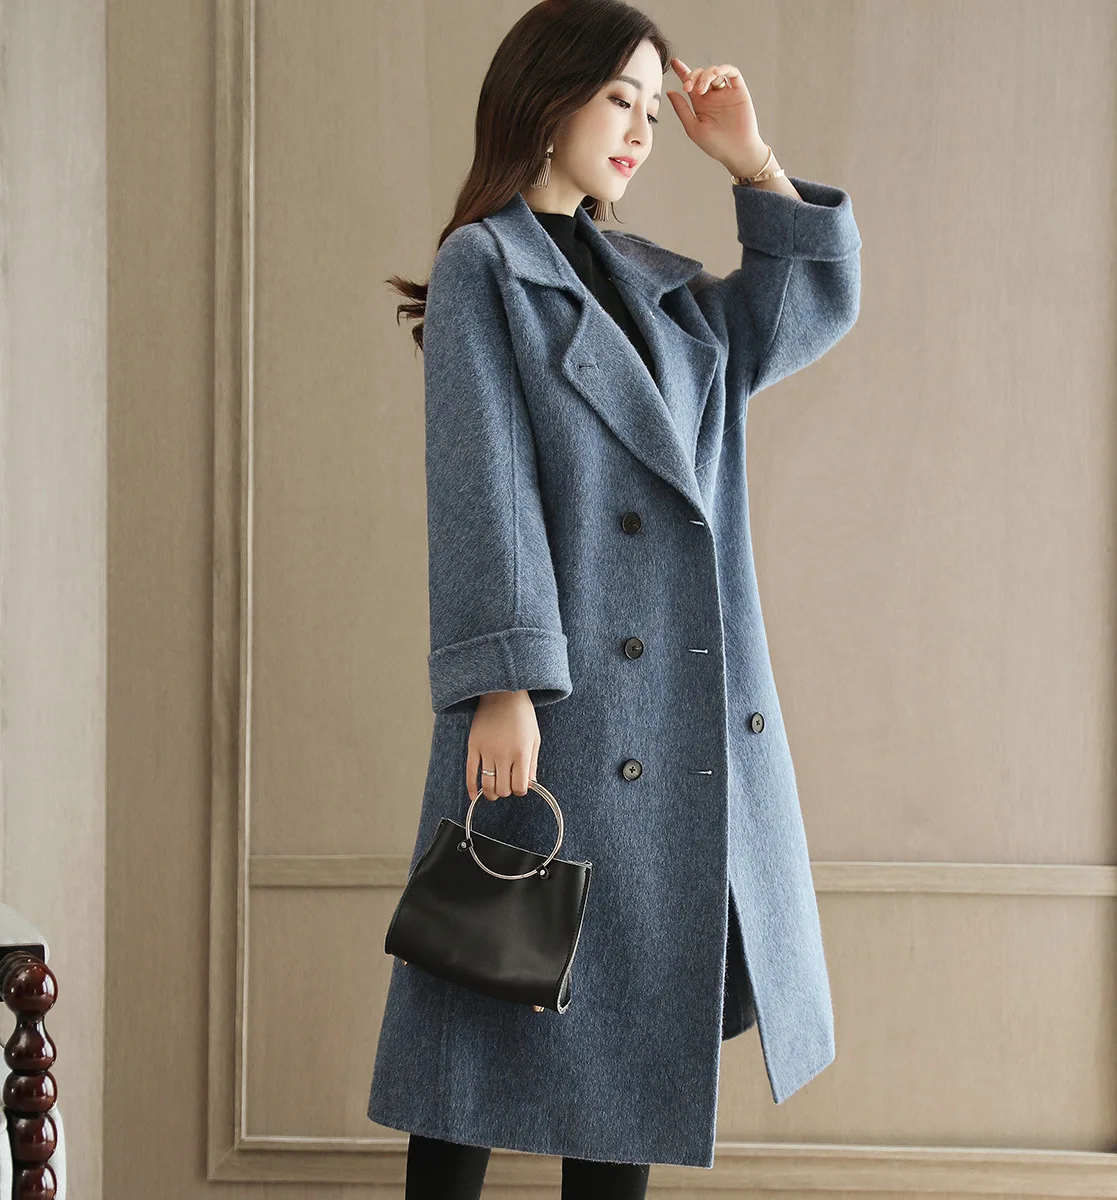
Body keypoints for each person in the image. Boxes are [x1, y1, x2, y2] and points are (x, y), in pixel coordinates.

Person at [369, 0, 862, 1193]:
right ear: (548, 102)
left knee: (628, 1061)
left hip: (670, 728)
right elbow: (484, 480)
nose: (641, 130)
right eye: (618, 101)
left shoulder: (664, 291)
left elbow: (807, 311)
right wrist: (502, 682)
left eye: (652, 106)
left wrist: (751, 162)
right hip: (555, 711)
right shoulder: (485, 263)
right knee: (479, 1023)